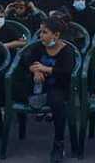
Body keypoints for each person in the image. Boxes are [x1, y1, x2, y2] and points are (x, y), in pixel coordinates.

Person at [21, 18, 76, 163]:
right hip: (38, 85)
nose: (41, 36)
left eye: (45, 32)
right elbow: (26, 60)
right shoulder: (39, 47)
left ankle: (59, 143)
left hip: (59, 86)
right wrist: (34, 70)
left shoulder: (67, 51)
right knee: (19, 88)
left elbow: (66, 72)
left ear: (56, 35)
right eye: (41, 32)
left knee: (57, 103)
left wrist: (46, 69)